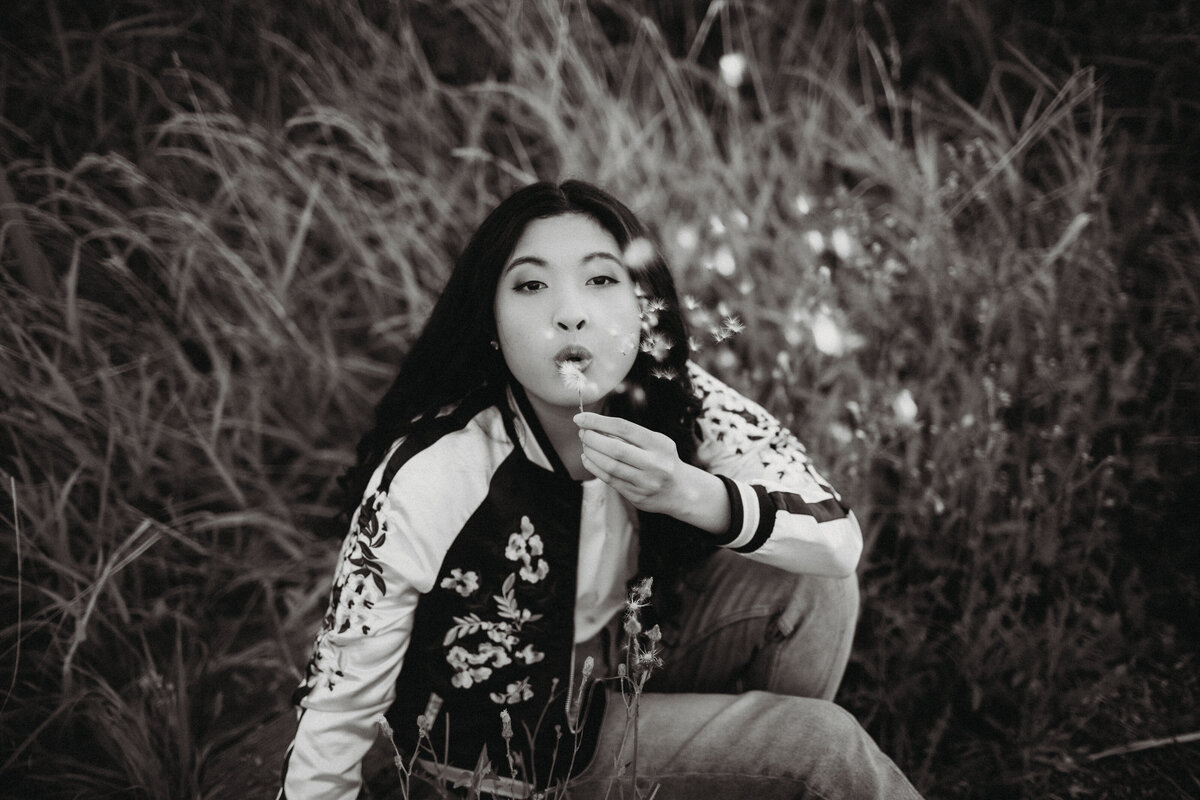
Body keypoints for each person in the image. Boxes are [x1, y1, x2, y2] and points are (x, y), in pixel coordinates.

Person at [278, 180, 923, 799]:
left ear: (644, 311)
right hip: (521, 752)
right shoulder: (437, 467)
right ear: (492, 323)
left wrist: (690, 493)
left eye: (601, 279)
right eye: (531, 285)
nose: (570, 314)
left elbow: (838, 540)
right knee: (821, 747)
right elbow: (337, 696)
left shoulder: (677, 396)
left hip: (628, 661)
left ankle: (747, 783)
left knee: (814, 578)